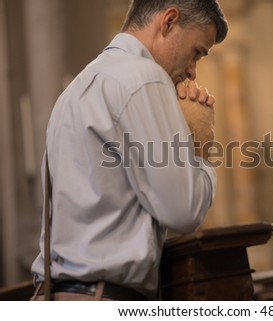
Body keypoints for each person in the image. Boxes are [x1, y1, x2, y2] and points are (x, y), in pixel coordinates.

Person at [30, 0, 228, 300]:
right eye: (196, 53)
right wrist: (199, 145)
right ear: (169, 21)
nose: (192, 72)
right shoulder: (145, 77)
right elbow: (184, 211)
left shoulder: (78, 86)